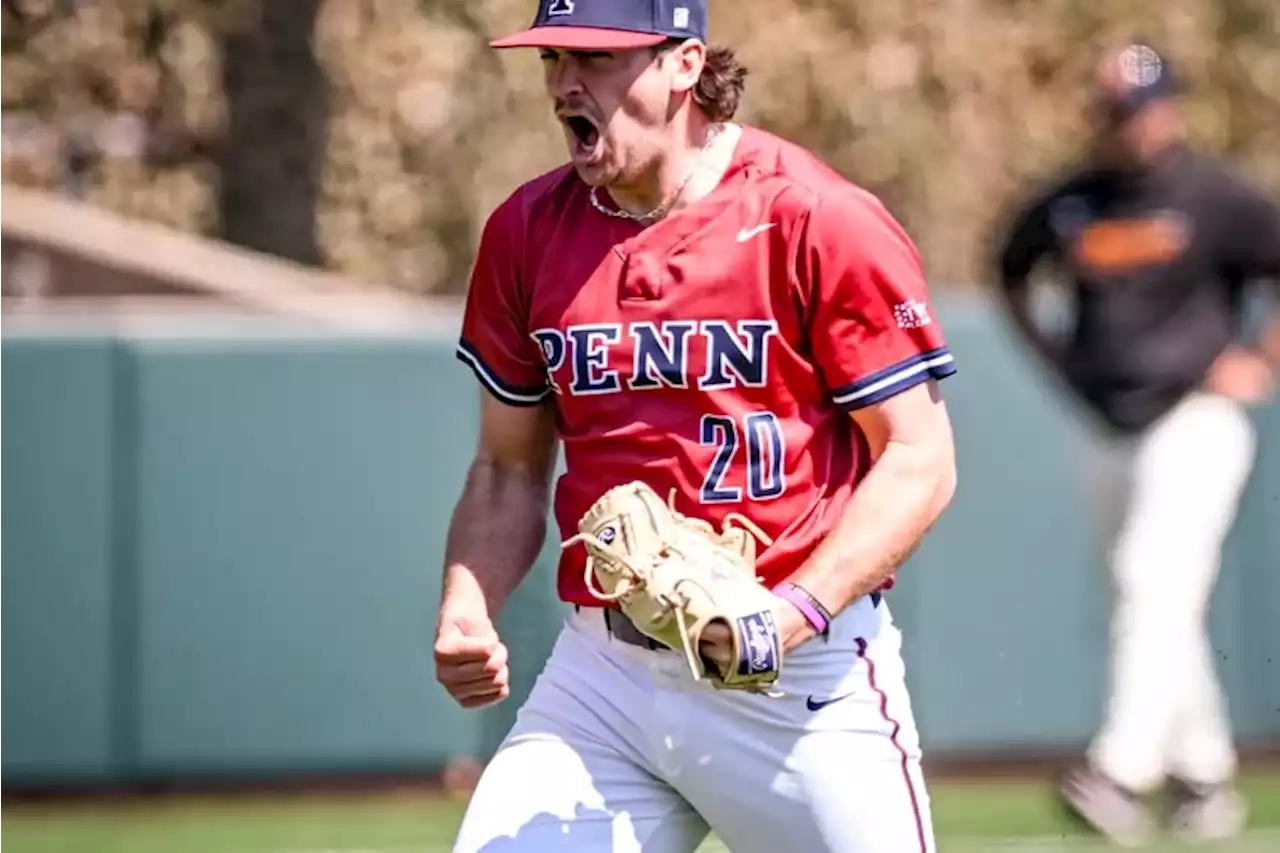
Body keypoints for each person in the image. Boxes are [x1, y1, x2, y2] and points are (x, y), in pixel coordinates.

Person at [435, 1, 959, 851]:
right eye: (554, 58)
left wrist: (785, 615)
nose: (567, 81)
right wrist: (468, 600)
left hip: (798, 683)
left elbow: (918, 458)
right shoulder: (525, 232)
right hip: (604, 676)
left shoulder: (813, 215)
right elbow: (506, 469)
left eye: (598, 58)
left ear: (685, 64)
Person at [992, 41, 1280, 847]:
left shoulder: (1214, 196)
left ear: (1172, 106)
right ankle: (1205, 776)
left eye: (1146, 106)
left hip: (1194, 418)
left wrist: (1260, 357)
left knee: (1153, 582)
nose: (1134, 124)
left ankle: (1118, 770)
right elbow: (1010, 267)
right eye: (1119, 110)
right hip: (1107, 422)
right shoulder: (1075, 201)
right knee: (1148, 597)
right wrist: (1058, 361)